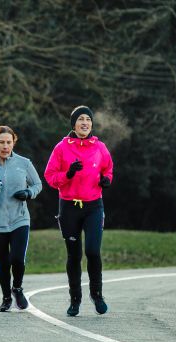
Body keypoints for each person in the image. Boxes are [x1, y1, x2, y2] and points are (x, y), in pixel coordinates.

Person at [44, 106, 113, 317]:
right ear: (73, 124)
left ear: (91, 124)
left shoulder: (100, 147)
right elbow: (50, 176)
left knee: (93, 251)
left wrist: (106, 180)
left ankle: (97, 294)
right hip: (69, 207)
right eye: (80, 119)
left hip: (93, 206)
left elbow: (108, 168)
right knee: (74, 255)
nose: (85, 123)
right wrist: (69, 174)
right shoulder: (61, 148)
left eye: (88, 120)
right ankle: (75, 299)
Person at [0, 126, 42, 312]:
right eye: (1, 142)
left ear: (13, 143)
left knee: (18, 259)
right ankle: (6, 298)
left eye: (9, 142)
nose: (5, 146)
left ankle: (17, 289)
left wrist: (28, 193)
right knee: (3, 263)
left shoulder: (24, 163)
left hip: (19, 219)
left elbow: (37, 184)